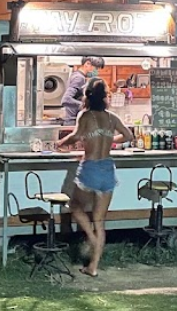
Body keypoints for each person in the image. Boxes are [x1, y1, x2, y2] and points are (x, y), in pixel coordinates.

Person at [56, 78, 133, 277]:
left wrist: (60, 143)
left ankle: (90, 237)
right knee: (99, 220)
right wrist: (109, 140)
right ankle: (93, 266)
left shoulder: (85, 115)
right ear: (105, 97)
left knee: (74, 206)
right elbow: (128, 136)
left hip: (90, 168)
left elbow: (76, 136)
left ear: (87, 96)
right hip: (108, 169)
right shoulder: (111, 118)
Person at [62, 56, 105, 124]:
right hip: (72, 121)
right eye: (96, 68)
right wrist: (86, 105)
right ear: (87, 64)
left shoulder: (77, 75)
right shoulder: (79, 78)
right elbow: (66, 99)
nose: (97, 71)